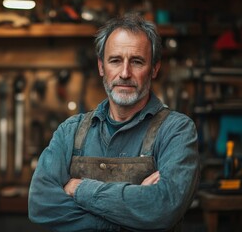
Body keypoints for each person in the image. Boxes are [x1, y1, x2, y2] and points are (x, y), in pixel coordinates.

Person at [28, 13, 200, 232]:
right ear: (101, 67)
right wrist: (126, 220)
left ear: (155, 69)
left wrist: (79, 189)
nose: (125, 73)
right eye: (115, 60)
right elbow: (40, 205)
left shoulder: (176, 131)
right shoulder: (70, 132)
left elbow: (163, 207)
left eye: (137, 62)